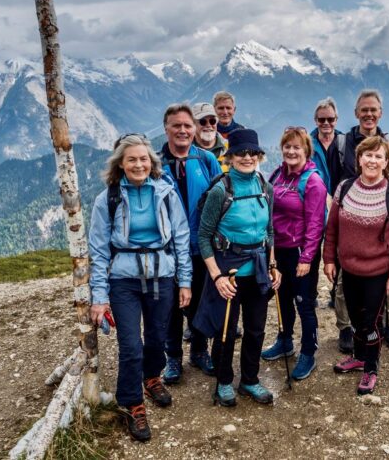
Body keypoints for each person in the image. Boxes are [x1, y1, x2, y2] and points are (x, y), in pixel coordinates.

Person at [88, 133, 192, 441]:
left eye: (143, 158)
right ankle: (132, 403)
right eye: (131, 159)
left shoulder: (165, 193)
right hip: (124, 280)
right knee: (131, 345)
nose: (138, 164)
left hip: (162, 276)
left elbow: (181, 239)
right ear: (120, 163)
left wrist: (184, 281)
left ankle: (151, 377)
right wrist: (99, 297)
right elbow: (98, 250)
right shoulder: (107, 198)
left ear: (152, 162)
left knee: (158, 338)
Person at [193, 129, 282, 407]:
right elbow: (204, 236)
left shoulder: (264, 187)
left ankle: (250, 380)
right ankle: (223, 381)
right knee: (226, 331)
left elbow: (268, 231)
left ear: (259, 156)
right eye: (241, 153)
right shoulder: (221, 189)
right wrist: (216, 276)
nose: (247, 157)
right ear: (230, 157)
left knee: (256, 329)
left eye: (252, 153)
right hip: (228, 273)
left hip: (257, 272)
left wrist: (273, 265)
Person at [324, 135, 389, 395]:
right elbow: (333, 228)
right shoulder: (345, 188)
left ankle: (370, 367)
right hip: (348, 270)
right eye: (368, 155)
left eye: (378, 156)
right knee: (355, 317)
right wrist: (329, 258)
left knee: (371, 323)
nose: (372, 160)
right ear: (359, 158)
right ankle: (359, 356)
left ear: (386, 163)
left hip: (378, 273)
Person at [326, 89, 389, 351]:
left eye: (373, 110)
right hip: (349, 225)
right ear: (356, 113)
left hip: (381, 223)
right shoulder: (343, 143)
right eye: (364, 110)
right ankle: (346, 328)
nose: (369, 114)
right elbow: (334, 181)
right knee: (346, 281)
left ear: (380, 114)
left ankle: (384, 323)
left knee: (382, 278)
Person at [159, 104, 222, 383]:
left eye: (187, 125)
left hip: (200, 246)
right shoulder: (156, 164)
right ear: (167, 129)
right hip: (168, 249)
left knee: (199, 301)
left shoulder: (206, 160)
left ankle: (199, 350)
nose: (183, 130)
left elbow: (222, 197)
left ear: (194, 129)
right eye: (177, 125)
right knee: (171, 306)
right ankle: (172, 358)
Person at [261, 127, 327, 381]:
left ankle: (308, 352)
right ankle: (285, 340)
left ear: (306, 151)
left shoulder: (313, 181)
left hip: (300, 251)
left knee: (304, 304)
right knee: (282, 298)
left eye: (296, 147)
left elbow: (315, 224)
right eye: (287, 146)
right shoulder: (278, 174)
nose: (290, 151)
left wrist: (307, 258)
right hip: (279, 251)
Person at [309, 97, 343, 191]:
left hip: (342, 201)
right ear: (316, 120)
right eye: (321, 120)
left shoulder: (345, 143)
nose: (326, 123)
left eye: (330, 119)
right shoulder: (307, 145)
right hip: (317, 199)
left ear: (336, 120)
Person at [192, 102, 228, 172]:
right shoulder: (184, 150)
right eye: (203, 121)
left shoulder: (230, 148)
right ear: (193, 124)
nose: (208, 125)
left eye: (212, 121)